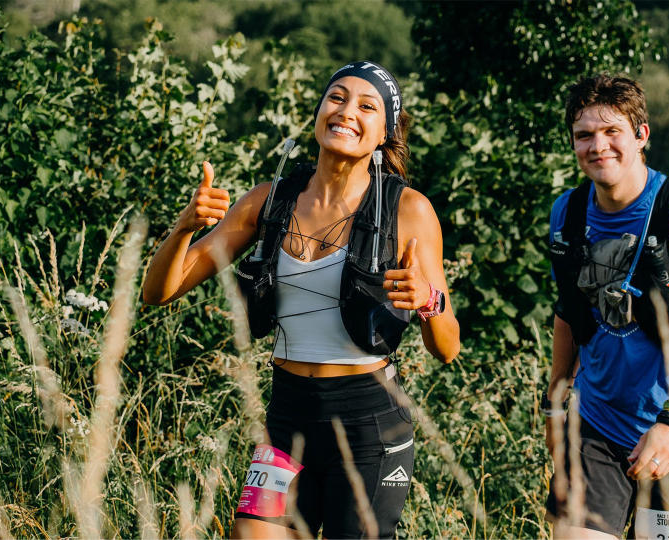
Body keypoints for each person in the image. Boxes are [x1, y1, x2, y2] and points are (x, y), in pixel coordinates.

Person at [143, 61, 460, 539]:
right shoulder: (270, 201)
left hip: (368, 422)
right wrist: (186, 226)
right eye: (336, 97)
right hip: (287, 418)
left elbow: (448, 347)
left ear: (383, 135)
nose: (346, 111)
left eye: (366, 106)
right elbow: (158, 292)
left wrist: (427, 301)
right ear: (318, 112)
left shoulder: (407, 209)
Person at [542, 74, 669, 539]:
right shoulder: (568, 213)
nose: (598, 146)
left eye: (612, 131)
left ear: (641, 135)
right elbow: (570, 315)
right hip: (596, 424)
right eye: (585, 135)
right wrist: (555, 406)